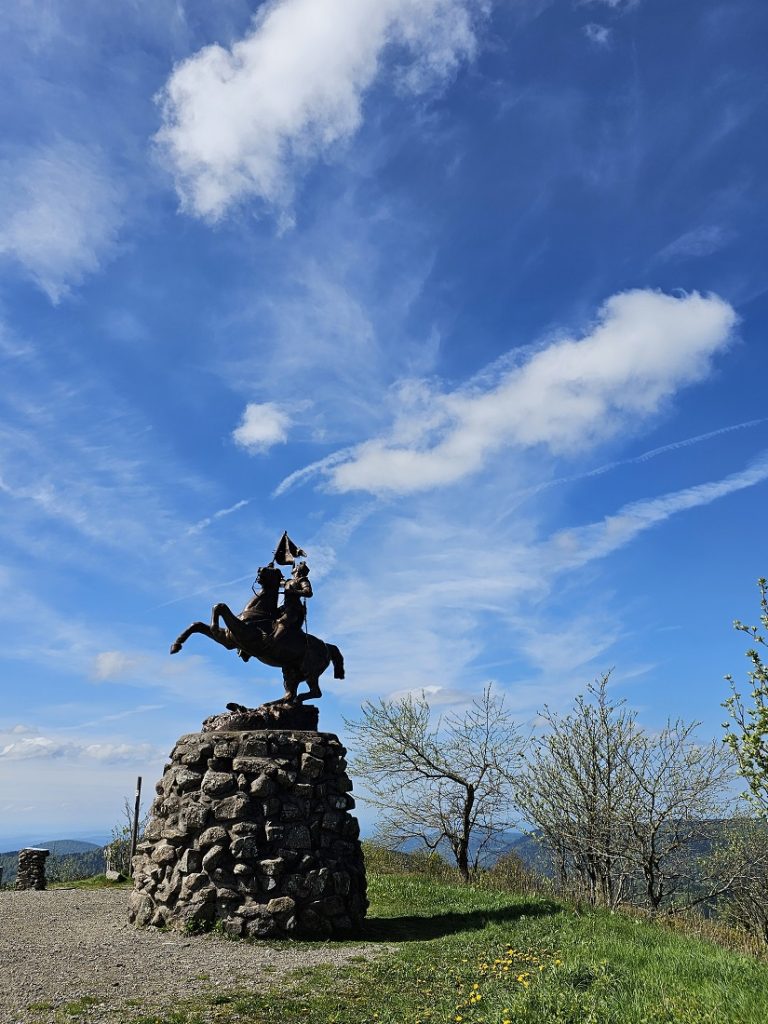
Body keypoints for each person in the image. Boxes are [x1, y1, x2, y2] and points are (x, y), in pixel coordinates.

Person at [272, 561, 312, 644]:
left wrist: (293, 591)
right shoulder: (288, 581)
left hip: (294, 609)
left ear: (298, 570)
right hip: (285, 607)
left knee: (283, 621)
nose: (295, 567)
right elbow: (276, 582)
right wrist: (271, 570)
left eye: (297, 566)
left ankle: (272, 642)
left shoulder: (302, 580)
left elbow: (308, 592)